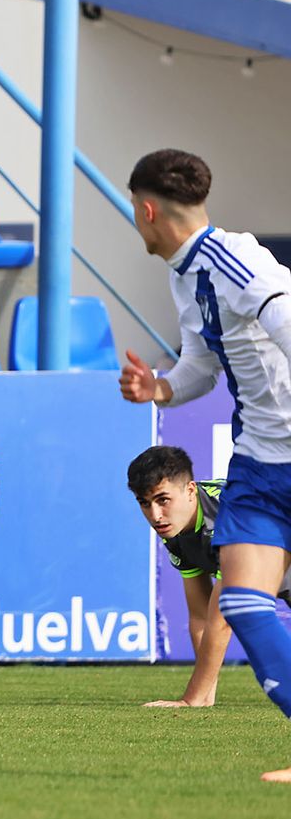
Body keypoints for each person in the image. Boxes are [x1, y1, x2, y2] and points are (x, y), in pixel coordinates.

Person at [117, 148, 291, 783]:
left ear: (147, 208)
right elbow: (201, 366)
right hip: (258, 462)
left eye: (132, 212)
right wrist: (159, 389)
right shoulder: (184, 274)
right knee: (244, 605)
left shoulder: (235, 258)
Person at [127, 445, 291, 709]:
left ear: (190, 490)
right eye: (145, 503)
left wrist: (192, 699)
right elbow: (201, 617)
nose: (155, 515)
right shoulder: (176, 528)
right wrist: (205, 695)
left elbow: (221, 622)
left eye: (162, 500)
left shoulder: (228, 515)